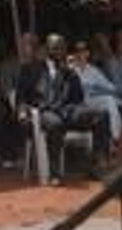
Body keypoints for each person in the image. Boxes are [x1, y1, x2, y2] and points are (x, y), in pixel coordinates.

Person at [16, 34, 112, 183]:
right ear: (46, 49)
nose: (59, 51)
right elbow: (21, 95)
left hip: (67, 110)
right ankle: (55, 172)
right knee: (55, 123)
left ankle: (97, 165)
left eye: (61, 48)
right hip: (45, 110)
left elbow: (78, 97)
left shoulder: (68, 70)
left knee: (102, 115)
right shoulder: (31, 69)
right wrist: (22, 113)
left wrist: (72, 73)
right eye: (55, 48)